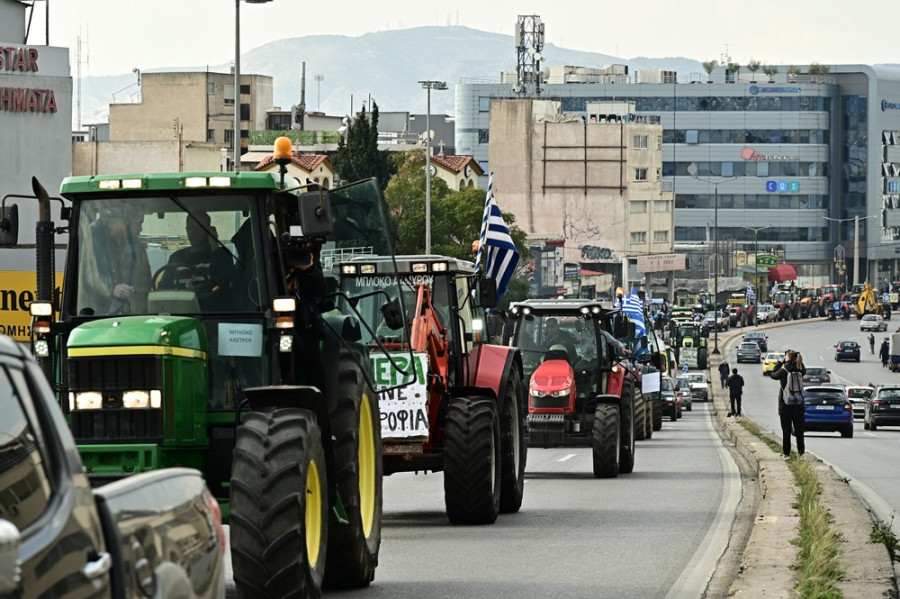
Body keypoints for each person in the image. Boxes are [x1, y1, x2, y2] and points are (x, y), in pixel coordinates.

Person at [78, 204, 151, 315]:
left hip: (130, 312)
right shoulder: (93, 237)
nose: (140, 229)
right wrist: (112, 289)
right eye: (139, 223)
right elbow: (91, 274)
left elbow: (144, 280)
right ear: (123, 222)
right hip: (96, 313)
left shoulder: (136, 246)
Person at [162, 211, 234, 309]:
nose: (194, 232)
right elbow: (163, 289)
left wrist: (214, 244)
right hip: (180, 313)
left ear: (209, 230)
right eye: (191, 227)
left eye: (199, 227)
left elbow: (224, 287)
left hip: (212, 314)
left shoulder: (221, 255)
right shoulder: (176, 257)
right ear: (187, 230)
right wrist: (186, 294)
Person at [767, 349, 807, 457]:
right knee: (799, 432)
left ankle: (786, 454)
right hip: (799, 406)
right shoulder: (800, 369)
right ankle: (801, 454)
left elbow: (773, 374)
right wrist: (797, 361)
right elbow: (803, 370)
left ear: (787, 358)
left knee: (786, 431)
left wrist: (780, 363)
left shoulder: (784, 371)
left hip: (785, 406)